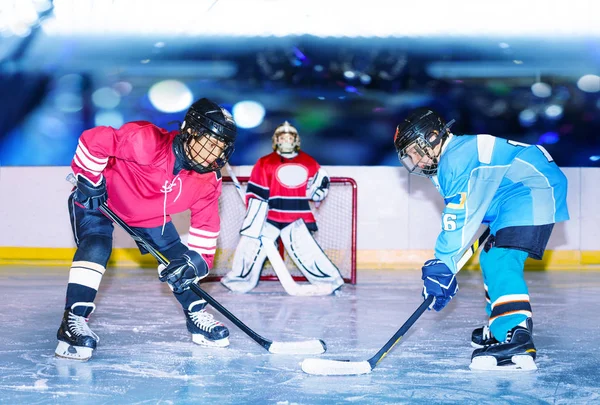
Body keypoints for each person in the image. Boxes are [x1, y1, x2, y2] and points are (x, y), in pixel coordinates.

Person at [55, 98, 237, 361]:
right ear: (189, 132)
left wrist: (194, 264)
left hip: (148, 215)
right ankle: (72, 321)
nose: (212, 154)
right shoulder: (147, 141)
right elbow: (93, 140)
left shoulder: (208, 179)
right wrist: (90, 178)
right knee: (96, 245)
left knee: (179, 261)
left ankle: (196, 315)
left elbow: (206, 229)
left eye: (219, 147)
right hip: (101, 198)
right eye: (208, 143)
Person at [393, 108, 569, 371]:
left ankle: (517, 333)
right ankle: (502, 326)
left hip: (530, 188)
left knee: (501, 258)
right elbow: (471, 207)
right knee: (491, 256)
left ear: (432, 137)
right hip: (513, 192)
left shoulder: (456, 159)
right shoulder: (454, 157)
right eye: (408, 157)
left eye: (415, 152)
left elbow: (459, 217)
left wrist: (443, 264)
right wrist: (446, 267)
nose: (415, 161)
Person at [221, 121, 344, 293]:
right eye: (282, 137)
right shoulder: (265, 162)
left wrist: (319, 190)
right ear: (276, 140)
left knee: (307, 251)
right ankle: (237, 280)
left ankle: (331, 281)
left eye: (289, 137)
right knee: (250, 245)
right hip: (269, 216)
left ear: (296, 140)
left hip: (297, 217)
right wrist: (255, 213)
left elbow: (318, 189)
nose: (286, 140)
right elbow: (256, 191)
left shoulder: (308, 162)